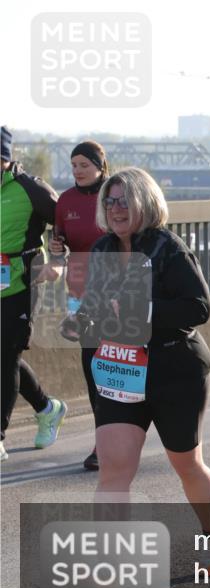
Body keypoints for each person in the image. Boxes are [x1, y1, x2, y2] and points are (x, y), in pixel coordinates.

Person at [59, 167, 210, 567]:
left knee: (187, 464)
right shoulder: (100, 250)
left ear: (145, 203)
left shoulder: (168, 247)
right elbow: (97, 305)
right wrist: (78, 321)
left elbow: (198, 308)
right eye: (110, 201)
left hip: (174, 366)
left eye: (124, 200)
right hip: (122, 366)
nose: (116, 208)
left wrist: (143, 310)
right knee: (113, 470)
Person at [41, 141, 110, 471]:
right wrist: (57, 249)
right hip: (81, 296)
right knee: (94, 371)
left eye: (85, 164)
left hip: (118, 296)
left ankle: (121, 439)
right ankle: (103, 444)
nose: (78, 170)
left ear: (100, 165)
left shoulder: (114, 195)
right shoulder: (65, 201)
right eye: (74, 165)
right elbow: (58, 252)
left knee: (118, 370)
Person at [1, 125, 68, 462]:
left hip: (22, 282)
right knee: (4, 356)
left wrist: (57, 260)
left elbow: (65, 221)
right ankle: (47, 408)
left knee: (7, 354)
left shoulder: (31, 189)